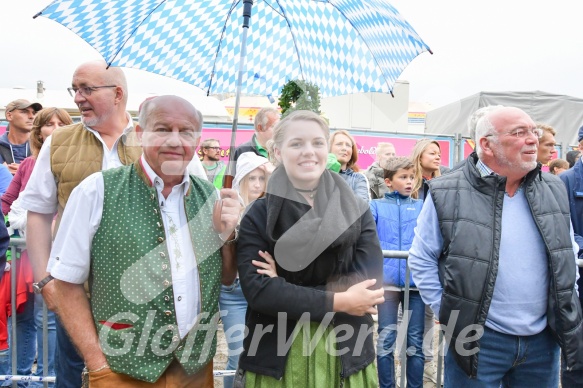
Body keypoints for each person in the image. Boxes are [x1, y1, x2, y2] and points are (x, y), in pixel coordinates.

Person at [48, 95, 240, 387]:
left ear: (198, 141)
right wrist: (97, 363)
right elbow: (65, 283)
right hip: (120, 369)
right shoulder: (96, 190)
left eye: (186, 132)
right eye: (163, 129)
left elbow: (227, 277)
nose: (175, 141)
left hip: (194, 370)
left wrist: (229, 234)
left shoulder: (211, 197)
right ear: (139, 134)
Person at [409, 106, 583, 386]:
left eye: (533, 132)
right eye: (519, 132)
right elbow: (422, 257)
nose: (532, 139)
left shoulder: (554, 188)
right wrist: (448, 311)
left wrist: (566, 300)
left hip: (542, 343)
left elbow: (568, 252)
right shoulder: (448, 191)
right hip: (477, 340)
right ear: (486, 144)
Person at [235, 110, 384, 387]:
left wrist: (283, 285)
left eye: (317, 143)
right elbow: (260, 293)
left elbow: (368, 287)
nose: (308, 152)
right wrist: (341, 301)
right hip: (275, 356)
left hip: (345, 354)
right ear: (278, 152)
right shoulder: (259, 214)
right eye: (296, 143)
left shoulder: (357, 210)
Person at [21, 60, 142, 388]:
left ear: (118, 94)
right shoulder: (58, 143)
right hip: (75, 295)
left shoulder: (152, 142)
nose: (77, 98)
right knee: (74, 378)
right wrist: (45, 279)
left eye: (87, 89)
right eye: (75, 89)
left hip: (142, 296)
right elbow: (37, 213)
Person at [0, 107, 72, 387]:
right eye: (49, 123)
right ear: (39, 131)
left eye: (61, 123)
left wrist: (53, 226)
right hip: (23, 254)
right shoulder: (30, 164)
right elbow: (7, 202)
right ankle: (22, 377)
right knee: (22, 316)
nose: (54, 128)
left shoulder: (71, 162)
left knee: (48, 319)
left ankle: (48, 378)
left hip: (55, 255)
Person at [370, 156, 425, 388]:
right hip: (388, 285)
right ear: (388, 181)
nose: (409, 181)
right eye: (403, 177)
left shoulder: (422, 206)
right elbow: (367, 241)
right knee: (385, 340)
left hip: (415, 285)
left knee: (415, 342)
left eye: (412, 177)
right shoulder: (376, 206)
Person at [220, 152, 273, 388]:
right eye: (251, 178)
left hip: (264, 289)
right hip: (235, 293)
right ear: (241, 179)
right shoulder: (230, 209)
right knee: (238, 354)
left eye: (262, 179)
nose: (257, 184)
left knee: (263, 352)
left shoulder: (269, 210)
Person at [559, 125, 583, 387]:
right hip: (578, 277)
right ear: (580, 146)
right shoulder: (565, 181)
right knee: (577, 351)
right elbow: (562, 228)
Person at [0, 99, 43, 174]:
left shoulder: (42, 145)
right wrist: (3, 172)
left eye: (34, 113)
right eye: (24, 112)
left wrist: (27, 171)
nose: (31, 116)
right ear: (9, 116)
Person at [329, 130, 369, 200]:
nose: (344, 148)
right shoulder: (316, 175)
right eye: (339, 144)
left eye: (348, 145)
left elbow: (361, 207)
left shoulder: (358, 178)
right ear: (329, 148)